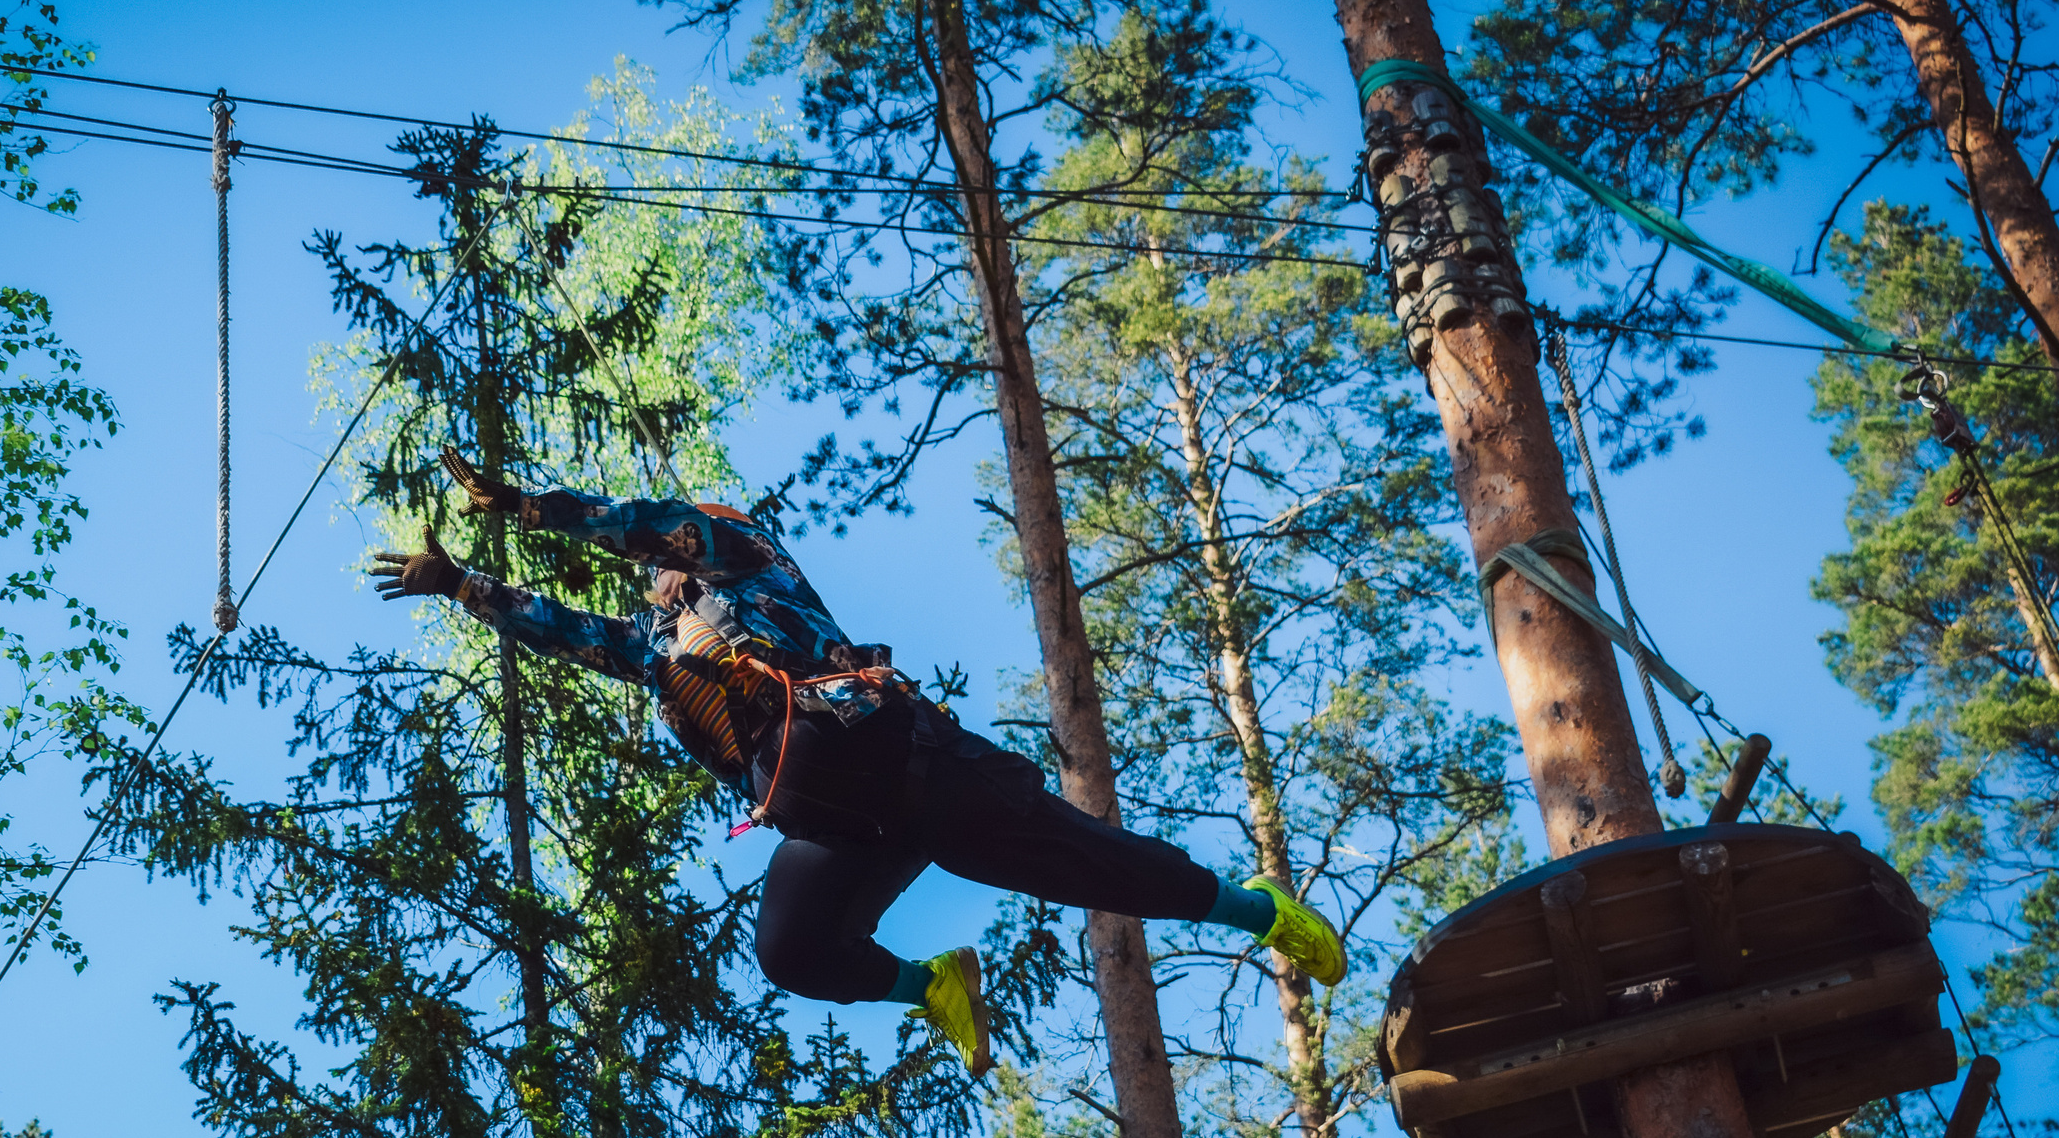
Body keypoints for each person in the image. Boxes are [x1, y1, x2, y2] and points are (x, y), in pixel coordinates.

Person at [373, 449, 1345, 1078]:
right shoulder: (653, 652)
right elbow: (564, 629)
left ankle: (1261, 910)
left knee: (1091, 864)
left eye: (669, 565)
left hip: (911, 763)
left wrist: (533, 509)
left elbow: (645, 524)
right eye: (661, 579)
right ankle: (932, 986)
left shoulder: (741, 559)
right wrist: (458, 583)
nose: (662, 579)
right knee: (791, 952)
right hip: (835, 825)